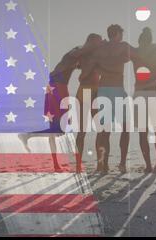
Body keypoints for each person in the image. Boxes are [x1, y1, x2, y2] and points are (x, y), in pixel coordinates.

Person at [18, 35, 98, 171]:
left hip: (55, 86)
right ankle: (28, 136)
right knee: (60, 128)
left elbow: (80, 67)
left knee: (56, 129)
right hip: (58, 87)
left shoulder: (79, 55)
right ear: (91, 42)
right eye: (97, 43)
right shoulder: (77, 51)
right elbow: (76, 57)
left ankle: (54, 164)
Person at [90, 24, 134, 172]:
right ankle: (121, 163)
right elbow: (133, 56)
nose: (122, 37)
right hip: (116, 89)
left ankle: (103, 164)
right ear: (117, 34)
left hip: (103, 89)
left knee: (104, 131)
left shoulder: (100, 49)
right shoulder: (123, 46)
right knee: (125, 128)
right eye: (121, 34)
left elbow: (95, 67)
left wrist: (105, 67)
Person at [131, 27, 156, 172]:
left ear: (140, 41)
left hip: (140, 92)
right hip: (154, 92)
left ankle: (149, 165)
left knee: (142, 132)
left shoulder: (135, 52)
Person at [75, 34, 104, 172]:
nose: (99, 44)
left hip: (94, 91)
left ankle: (99, 163)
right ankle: (79, 164)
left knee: (99, 129)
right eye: (97, 41)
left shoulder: (96, 55)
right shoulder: (85, 55)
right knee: (82, 130)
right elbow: (82, 73)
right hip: (85, 92)